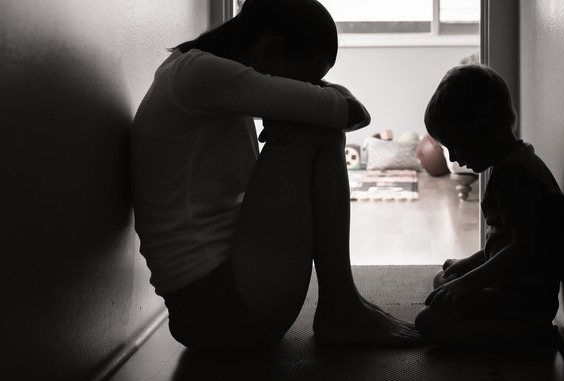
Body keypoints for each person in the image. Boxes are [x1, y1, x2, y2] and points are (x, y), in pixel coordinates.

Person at [130, 0, 421, 354]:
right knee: (319, 130)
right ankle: (341, 307)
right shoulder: (201, 73)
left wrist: (288, 101)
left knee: (315, 122)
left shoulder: (195, 74)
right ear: (271, 48)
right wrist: (308, 102)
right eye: (305, 81)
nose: (306, 89)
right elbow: (352, 112)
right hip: (219, 306)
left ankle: (342, 305)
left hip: (215, 305)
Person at [414, 64, 564, 348]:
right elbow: (503, 241)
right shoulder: (517, 162)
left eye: (454, 146)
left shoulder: (515, 176)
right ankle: (516, 326)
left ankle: (528, 334)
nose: (454, 159)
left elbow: (525, 249)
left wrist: (467, 283)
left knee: (429, 324)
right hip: (515, 284)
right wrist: (468, 266)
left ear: (483, 130)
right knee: (443, 279)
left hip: (523, 297)